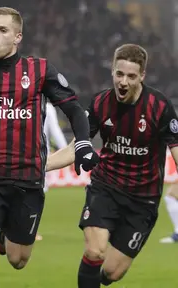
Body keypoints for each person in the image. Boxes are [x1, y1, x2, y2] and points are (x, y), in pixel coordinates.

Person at [0, 7, 99, 288]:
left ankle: (4, 236)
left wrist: (83, 143)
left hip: (27, 179)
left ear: (17, 37)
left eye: (3, 31)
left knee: (18, 259)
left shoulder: (39, 70)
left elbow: (74, 109)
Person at [45, 43, 178, 287]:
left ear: (142, 76)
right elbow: (76, 146)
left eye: (131, 76)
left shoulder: (159, 107)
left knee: (111, 273)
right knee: (95, 252)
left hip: (143, 200)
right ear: (112, 72)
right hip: (106, 188)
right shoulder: (100, 103)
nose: (123, 82)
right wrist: (38, 165)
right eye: (119, 74)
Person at [36, 101, 68, 241]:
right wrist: (67, 152)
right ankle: (28, 231)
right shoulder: (47, 107)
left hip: (20, 155)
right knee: (36, 194)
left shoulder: (20, 103)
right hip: (40, 157)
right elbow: (55, 131)